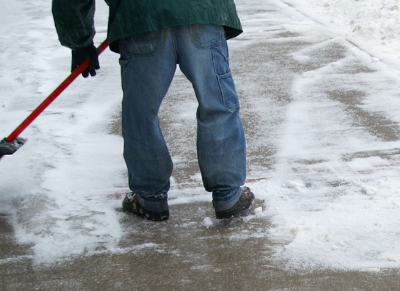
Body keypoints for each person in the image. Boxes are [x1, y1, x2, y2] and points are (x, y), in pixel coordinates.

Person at [52, 0, 254, 221]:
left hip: (141, 15)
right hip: (201, 12)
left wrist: (78, 39)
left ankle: (150, 197)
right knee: (217, 103)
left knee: (141, 113)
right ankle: (228, 195)